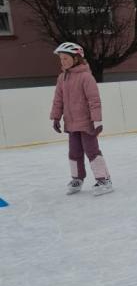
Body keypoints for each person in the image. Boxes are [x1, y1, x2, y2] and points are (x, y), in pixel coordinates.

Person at [49, 42, 114, 196]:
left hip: (86, 123)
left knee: (92, 151)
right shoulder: (62, 78)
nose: (63, 61)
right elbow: (58, 100)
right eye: (61, 59)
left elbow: (94, 100)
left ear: (76, 58)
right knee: (74, 152)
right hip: (71, 124)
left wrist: (97, 120)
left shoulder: (86, 77)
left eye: (66, 58)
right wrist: (56, 117)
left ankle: (104, 180)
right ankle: (77, 179)